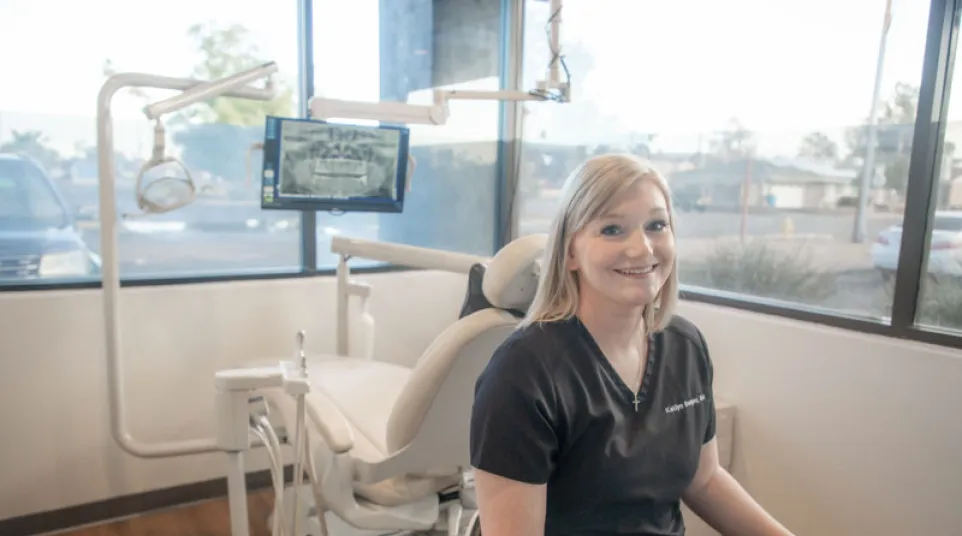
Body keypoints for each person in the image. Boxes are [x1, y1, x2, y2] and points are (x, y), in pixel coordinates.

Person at [469, 154, 794, 536]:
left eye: (657, 225)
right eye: (612, 230)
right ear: (570, 252)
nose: (642, 248)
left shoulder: (684, 347)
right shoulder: (524, 373)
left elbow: (704, 480)